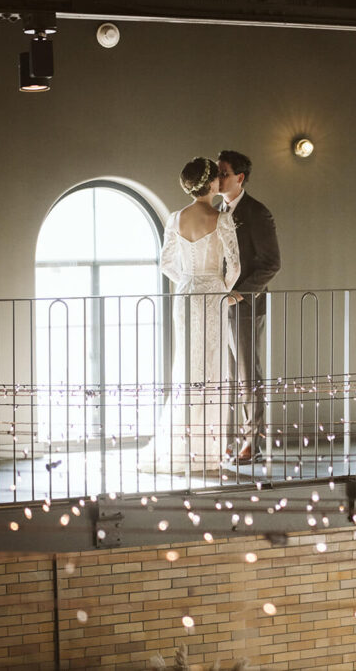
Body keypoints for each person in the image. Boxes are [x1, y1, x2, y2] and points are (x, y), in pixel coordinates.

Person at [139, 157, 240, 474]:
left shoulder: (174, 218)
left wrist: (187, 280)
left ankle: (180, 445)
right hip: (212, 294)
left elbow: (166, 264)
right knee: (213, 369)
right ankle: (206, 452)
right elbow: (235, 265)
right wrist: (223, 289)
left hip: (185, 295)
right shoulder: (221, 218)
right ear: (211, 184)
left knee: (186, 367)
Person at [217, 149, 280, 461]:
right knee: (227, 376)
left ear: (239, 178)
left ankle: (252, 442)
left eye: (223, 173)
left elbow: (271, 264)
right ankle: (229, 439)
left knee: (247, 376)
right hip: (221, 304)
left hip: (246, 304)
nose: (218, 178)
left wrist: (239, 293)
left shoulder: (257, 213)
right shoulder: (218, 210)